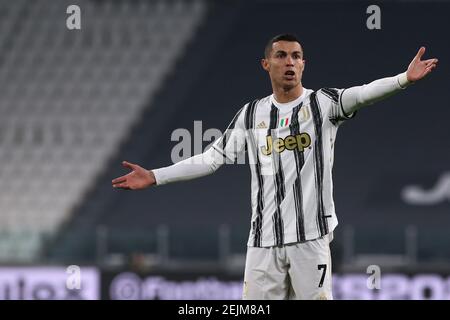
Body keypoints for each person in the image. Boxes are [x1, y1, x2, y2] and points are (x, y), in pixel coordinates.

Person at [111, 34, 438, 300]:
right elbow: (211, 159)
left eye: (296, 56)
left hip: (310, 240)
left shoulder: (321, 104)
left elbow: (363, 94)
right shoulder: (251, 114)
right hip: (262, 243)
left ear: (304, 64)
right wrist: (156, 176)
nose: (290, 62)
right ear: (267, 64)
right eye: (282, 56)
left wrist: (403, 79)